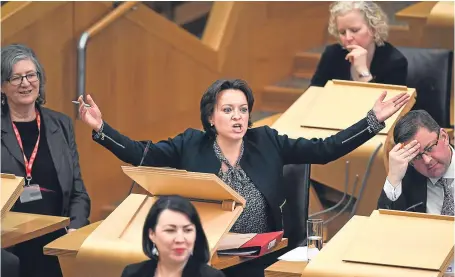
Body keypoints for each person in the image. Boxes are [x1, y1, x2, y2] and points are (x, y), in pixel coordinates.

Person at [78, 78, 409, 276]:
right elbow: (143, 154)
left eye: (243, 110)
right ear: (210, 116)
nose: (237, 117)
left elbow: (326, 150)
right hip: (207, 256)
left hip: (262, 255)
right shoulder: (190, 143)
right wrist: (101, 129)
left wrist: (372, 121)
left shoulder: (267, 140)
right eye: (227, 110)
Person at [1, 44, 91, 277]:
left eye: (31, 75)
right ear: (2, 86)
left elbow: (78, 191)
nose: (25, 83)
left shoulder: (60, 124)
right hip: (9, 248)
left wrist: (76, 229)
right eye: (16, 77)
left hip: (57, 241)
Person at [121, 195, 225, 277]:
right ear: (152, 234)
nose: (180, 239)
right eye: (170, 230)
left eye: (187, 230)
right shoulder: (133, 273)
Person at [311, 1, 408, 87]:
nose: (348, 38)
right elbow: (312, 94)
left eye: (354, 30)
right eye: (342, 32)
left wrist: (363, 71)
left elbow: (388, 105)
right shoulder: (332, 54)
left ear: (373, 29)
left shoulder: (394, 61)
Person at [378, 110, 453, 215]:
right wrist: (393, 178)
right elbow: (385, 224)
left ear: (444, 137)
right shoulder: (406, 177)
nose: (427, 160)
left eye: (430, 148)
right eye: (417, 156)